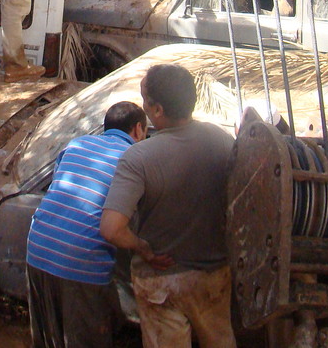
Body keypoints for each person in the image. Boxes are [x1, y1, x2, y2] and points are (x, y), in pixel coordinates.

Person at [101, 64, 236, 348]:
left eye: (144, 99)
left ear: (158, 110)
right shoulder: (224, 141)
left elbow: (112, 229)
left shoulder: (137, 158)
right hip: (213, 277)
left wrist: (143, 248)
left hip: (161, 282)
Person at [27, 102, 148, 348]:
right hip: (81, 262)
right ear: (138, 129)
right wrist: (145, 248)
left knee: (48, 339)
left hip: (37, 249)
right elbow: (122, 225)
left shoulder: (77, 144)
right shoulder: (134, 159)